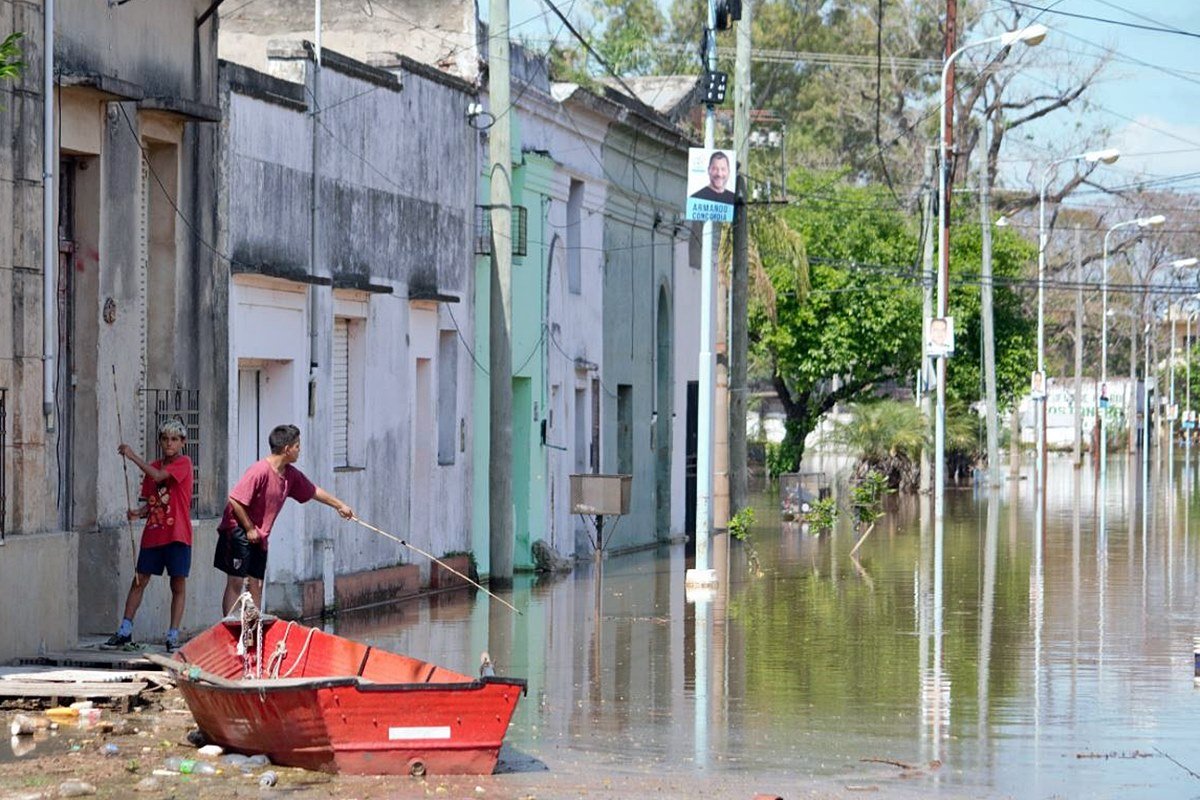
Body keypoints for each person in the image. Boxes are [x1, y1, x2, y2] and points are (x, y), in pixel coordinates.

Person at [215, 424, 353, 615]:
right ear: (287, 449)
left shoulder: (290, 475)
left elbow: (313, 490)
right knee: (236, 580)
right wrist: (249, 528)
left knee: (256, 582)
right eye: (297, 446)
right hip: (238, 528)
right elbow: (235, 500)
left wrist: (339, 505)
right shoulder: (259, 471)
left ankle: (253, 631)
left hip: (260, 535)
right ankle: (229, 628)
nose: (299, 450)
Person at [102, 419, 194, 652]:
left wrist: (133, 456)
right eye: (165, 439)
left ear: (182, 442)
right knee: (139, 580)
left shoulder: (183, 463)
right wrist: (139, 512)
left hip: (177, 534)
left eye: (174, 439)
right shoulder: (153, 466)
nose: (169, 443)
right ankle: (124, 629)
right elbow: (154, 502)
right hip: (154, 533)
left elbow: (161, 477)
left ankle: (173, 634)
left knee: (177, 584)